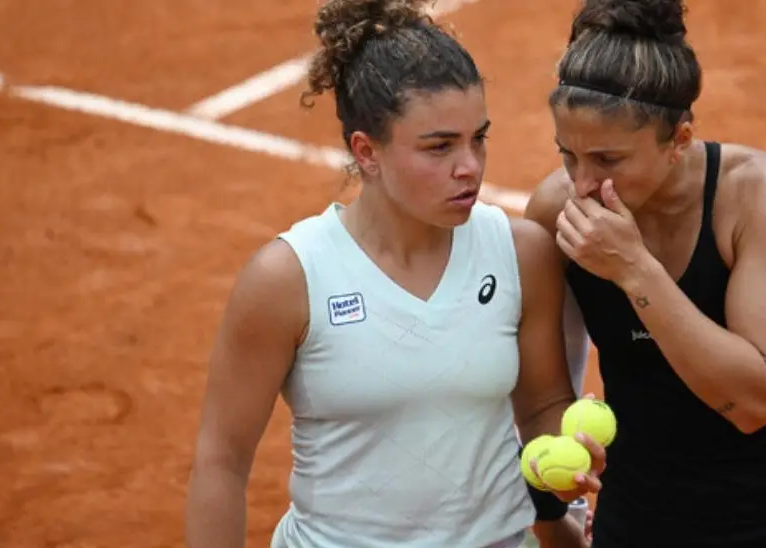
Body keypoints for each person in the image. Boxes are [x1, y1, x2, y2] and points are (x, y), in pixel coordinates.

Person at [182, 1, 604, 547]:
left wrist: (560, 465)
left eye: (479, 138)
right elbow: (221, 463)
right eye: (440, 146)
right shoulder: (288, 279)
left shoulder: (520, 253)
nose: (470, 166)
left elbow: (543, 403)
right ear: (367, 151)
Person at [523, 0, 766, 546]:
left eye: (608, 160)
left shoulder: (759, 196)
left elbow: (752, 402)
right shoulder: (555, 212)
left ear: (679, 140)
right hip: (637, 528)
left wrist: (633, 269)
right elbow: (542, 395)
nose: (581, 184)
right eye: (568, 156)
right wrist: (556, 487)